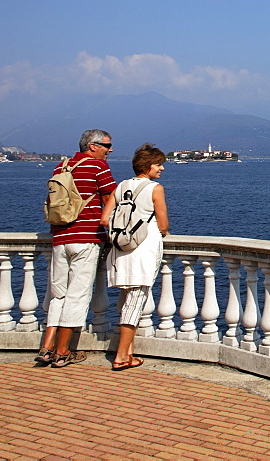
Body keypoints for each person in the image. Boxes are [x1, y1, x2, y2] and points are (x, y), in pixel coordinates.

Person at [37, 129, 117, 368]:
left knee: (58, 294)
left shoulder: (61, 167)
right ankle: (63, 352)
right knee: (77, 295)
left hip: (60, 238)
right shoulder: (97, 167)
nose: (110, 149)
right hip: (86, 239)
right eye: (106, 145)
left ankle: (46, 347)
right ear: (92, 146)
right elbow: (110, 200)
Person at [102, 143, 170, 371]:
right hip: (143, 249)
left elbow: (105, 219)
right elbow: (163, 223)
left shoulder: (120, 186)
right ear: (147, 166)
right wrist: (161, 230)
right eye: (158, 164)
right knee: (135, 301)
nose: (161, 169)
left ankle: (129, 352)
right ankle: (121, 356)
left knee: (126, 300)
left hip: (121, 249)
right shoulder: (155, 188)